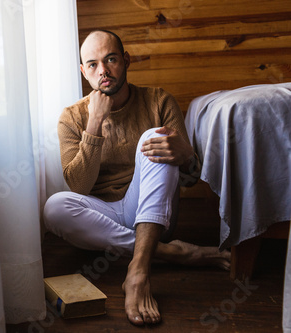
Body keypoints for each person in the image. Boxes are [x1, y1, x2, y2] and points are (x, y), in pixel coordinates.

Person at [43, 30, 230, 326]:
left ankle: (138, 271)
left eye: (111, 59)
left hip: (150, 212)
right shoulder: (72, 117)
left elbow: (191, 179)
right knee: (54, 207)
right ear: (83, 72)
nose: (102, 70)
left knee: (155, 137)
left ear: (126, 60)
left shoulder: (159, 101)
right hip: (101, 217)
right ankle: (172, 253)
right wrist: (94, 122)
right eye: (92, 64)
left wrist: (187, 157)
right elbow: (79, 187)